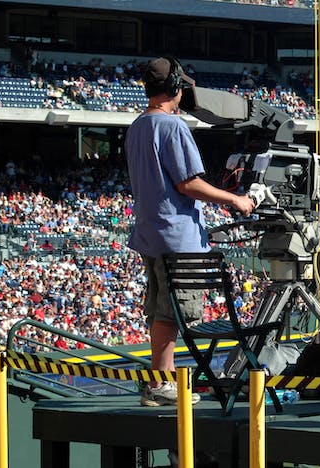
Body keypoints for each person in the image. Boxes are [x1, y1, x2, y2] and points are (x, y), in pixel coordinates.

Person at [125, 57, 255, 407]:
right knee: (172, 314)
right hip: (177, 236)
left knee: (158, 312)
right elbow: (188, 184)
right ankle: (163, 383)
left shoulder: (137, 126)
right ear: (174, 89)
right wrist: (235, 199)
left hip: (150, 235)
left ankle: (157, 381)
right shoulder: (173, 127)